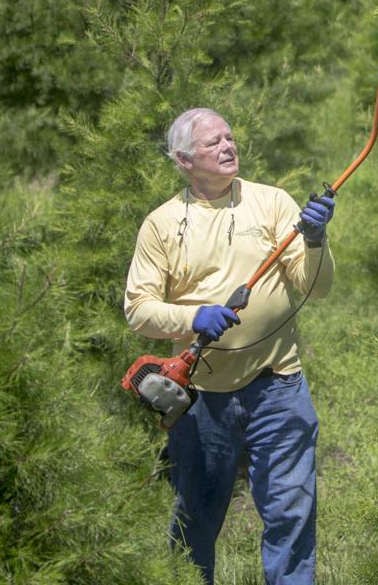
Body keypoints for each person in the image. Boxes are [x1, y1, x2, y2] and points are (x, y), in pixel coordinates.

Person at [124, 107, 335, 585]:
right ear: (183, 160)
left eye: (230, 138)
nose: (227, 147)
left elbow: (316, 287)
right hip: (199, 400)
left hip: (279, 387)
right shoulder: (161, 224)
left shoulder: (273, 203)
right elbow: (138, 308)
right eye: (213, 143)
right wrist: (193, 316)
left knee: (290, 513)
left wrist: (317, 240)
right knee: (195, 521)